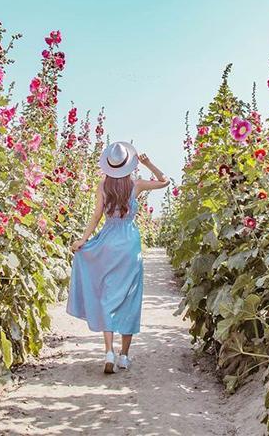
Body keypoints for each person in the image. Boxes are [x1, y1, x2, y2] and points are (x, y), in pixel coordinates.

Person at [66, 141, 170, 373]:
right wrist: (149, 163)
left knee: (107, 294)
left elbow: (96, 216)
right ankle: (124, 356)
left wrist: (83, 240)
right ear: (128, 164)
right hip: (129, 244)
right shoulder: (136, 185)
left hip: (107, 241)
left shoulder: (103, 185)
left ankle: (108, 351)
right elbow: (165, 181)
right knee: (130, 297)